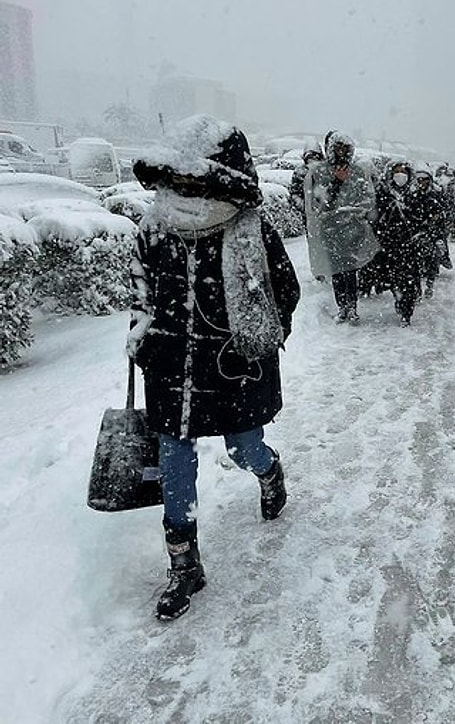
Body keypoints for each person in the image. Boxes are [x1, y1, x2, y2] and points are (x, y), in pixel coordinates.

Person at [128, 114, 301, 621]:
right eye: (179, 178)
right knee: (174, 460)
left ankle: (269, 471)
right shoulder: (154, 227)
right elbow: (141, 295)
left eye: (196, 179)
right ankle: (184, 565)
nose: (186, 188)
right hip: (171, 368)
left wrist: (256, 338)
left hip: (233, 367)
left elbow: (284, 292)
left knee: (243, 447)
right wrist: (144, 340)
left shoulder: (251, 229)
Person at [304, 131, 379, 322]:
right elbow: (320, 203)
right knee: (336, 269)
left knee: (350, 269)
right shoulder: (320, 172)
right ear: (330, 149)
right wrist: (337, 183)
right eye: (338, 148)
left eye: (345, 148)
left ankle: (352, 307)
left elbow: (367, 198)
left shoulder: (358, 172)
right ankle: (342, 306)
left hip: (353, 229)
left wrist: (358, 213)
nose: (342, 152)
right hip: (330, 229)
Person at [372, 158, 422, 326]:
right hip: (389, 245)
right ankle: (399, 299)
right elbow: (376, 217)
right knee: (394, 279)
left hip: (409, 245)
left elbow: (421, 217)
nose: (400, 175)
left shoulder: (414, 194)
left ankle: (406, 312)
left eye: (403, 172)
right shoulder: (383, 193)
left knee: (409, 281)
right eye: (397, 172)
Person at [408, 164, 447, 298]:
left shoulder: (435, 194)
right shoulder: (411, 195)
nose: (422, 182)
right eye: (419, 179)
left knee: (433, 258)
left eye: (424, 179)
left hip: (432, 233)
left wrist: (435, 223)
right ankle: (416, 290)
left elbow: (442, 213)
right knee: (413, 264)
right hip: (416, 233)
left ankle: (430, 283)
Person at [288, 141, 323, 223]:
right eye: (310, 159)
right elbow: (294, 192)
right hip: (307, 213)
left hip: (322, 212)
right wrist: (304, 206)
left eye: (315, 159)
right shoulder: (300, 172)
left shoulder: (324, 172)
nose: (312, 162)